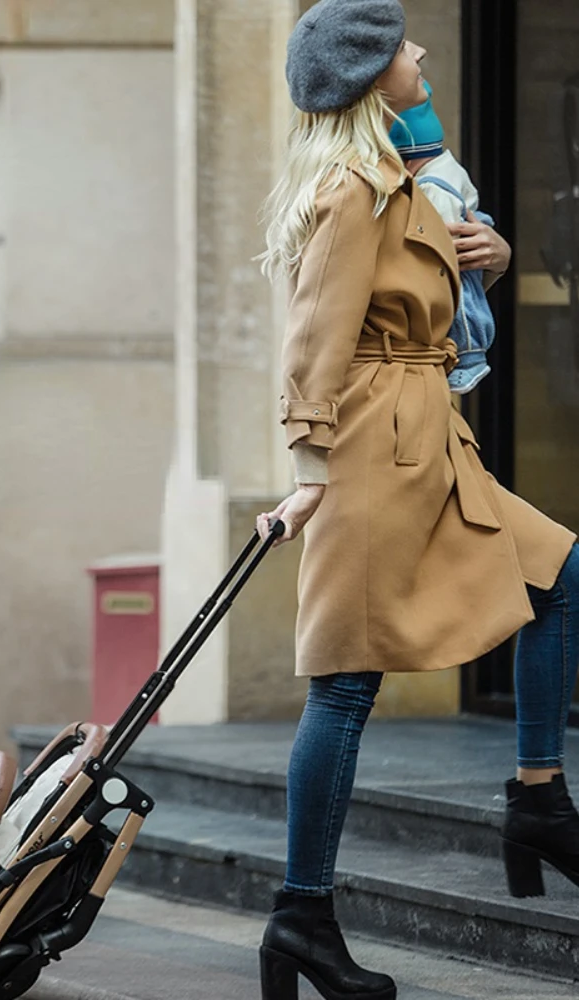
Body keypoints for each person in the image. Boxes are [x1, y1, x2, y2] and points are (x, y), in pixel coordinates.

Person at [254, 2, 579, 999]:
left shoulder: (401, 180)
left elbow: (434, 291)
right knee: (346, 687)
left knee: (561, 572)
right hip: (369, 452)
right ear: (365, 76)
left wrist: (496, 258)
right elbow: (314, 333)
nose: (423, 51)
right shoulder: (353, 189)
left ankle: (536, 795)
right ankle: (301, 916)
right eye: (401, 46)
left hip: (430, 436)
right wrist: (308, 473)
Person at [390, 80, 498, 393]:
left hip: (454, 258)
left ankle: (468, 357)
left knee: (463, 301)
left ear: (407, 163)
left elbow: (439, 256)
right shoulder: (444, 171)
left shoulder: (433, 188)